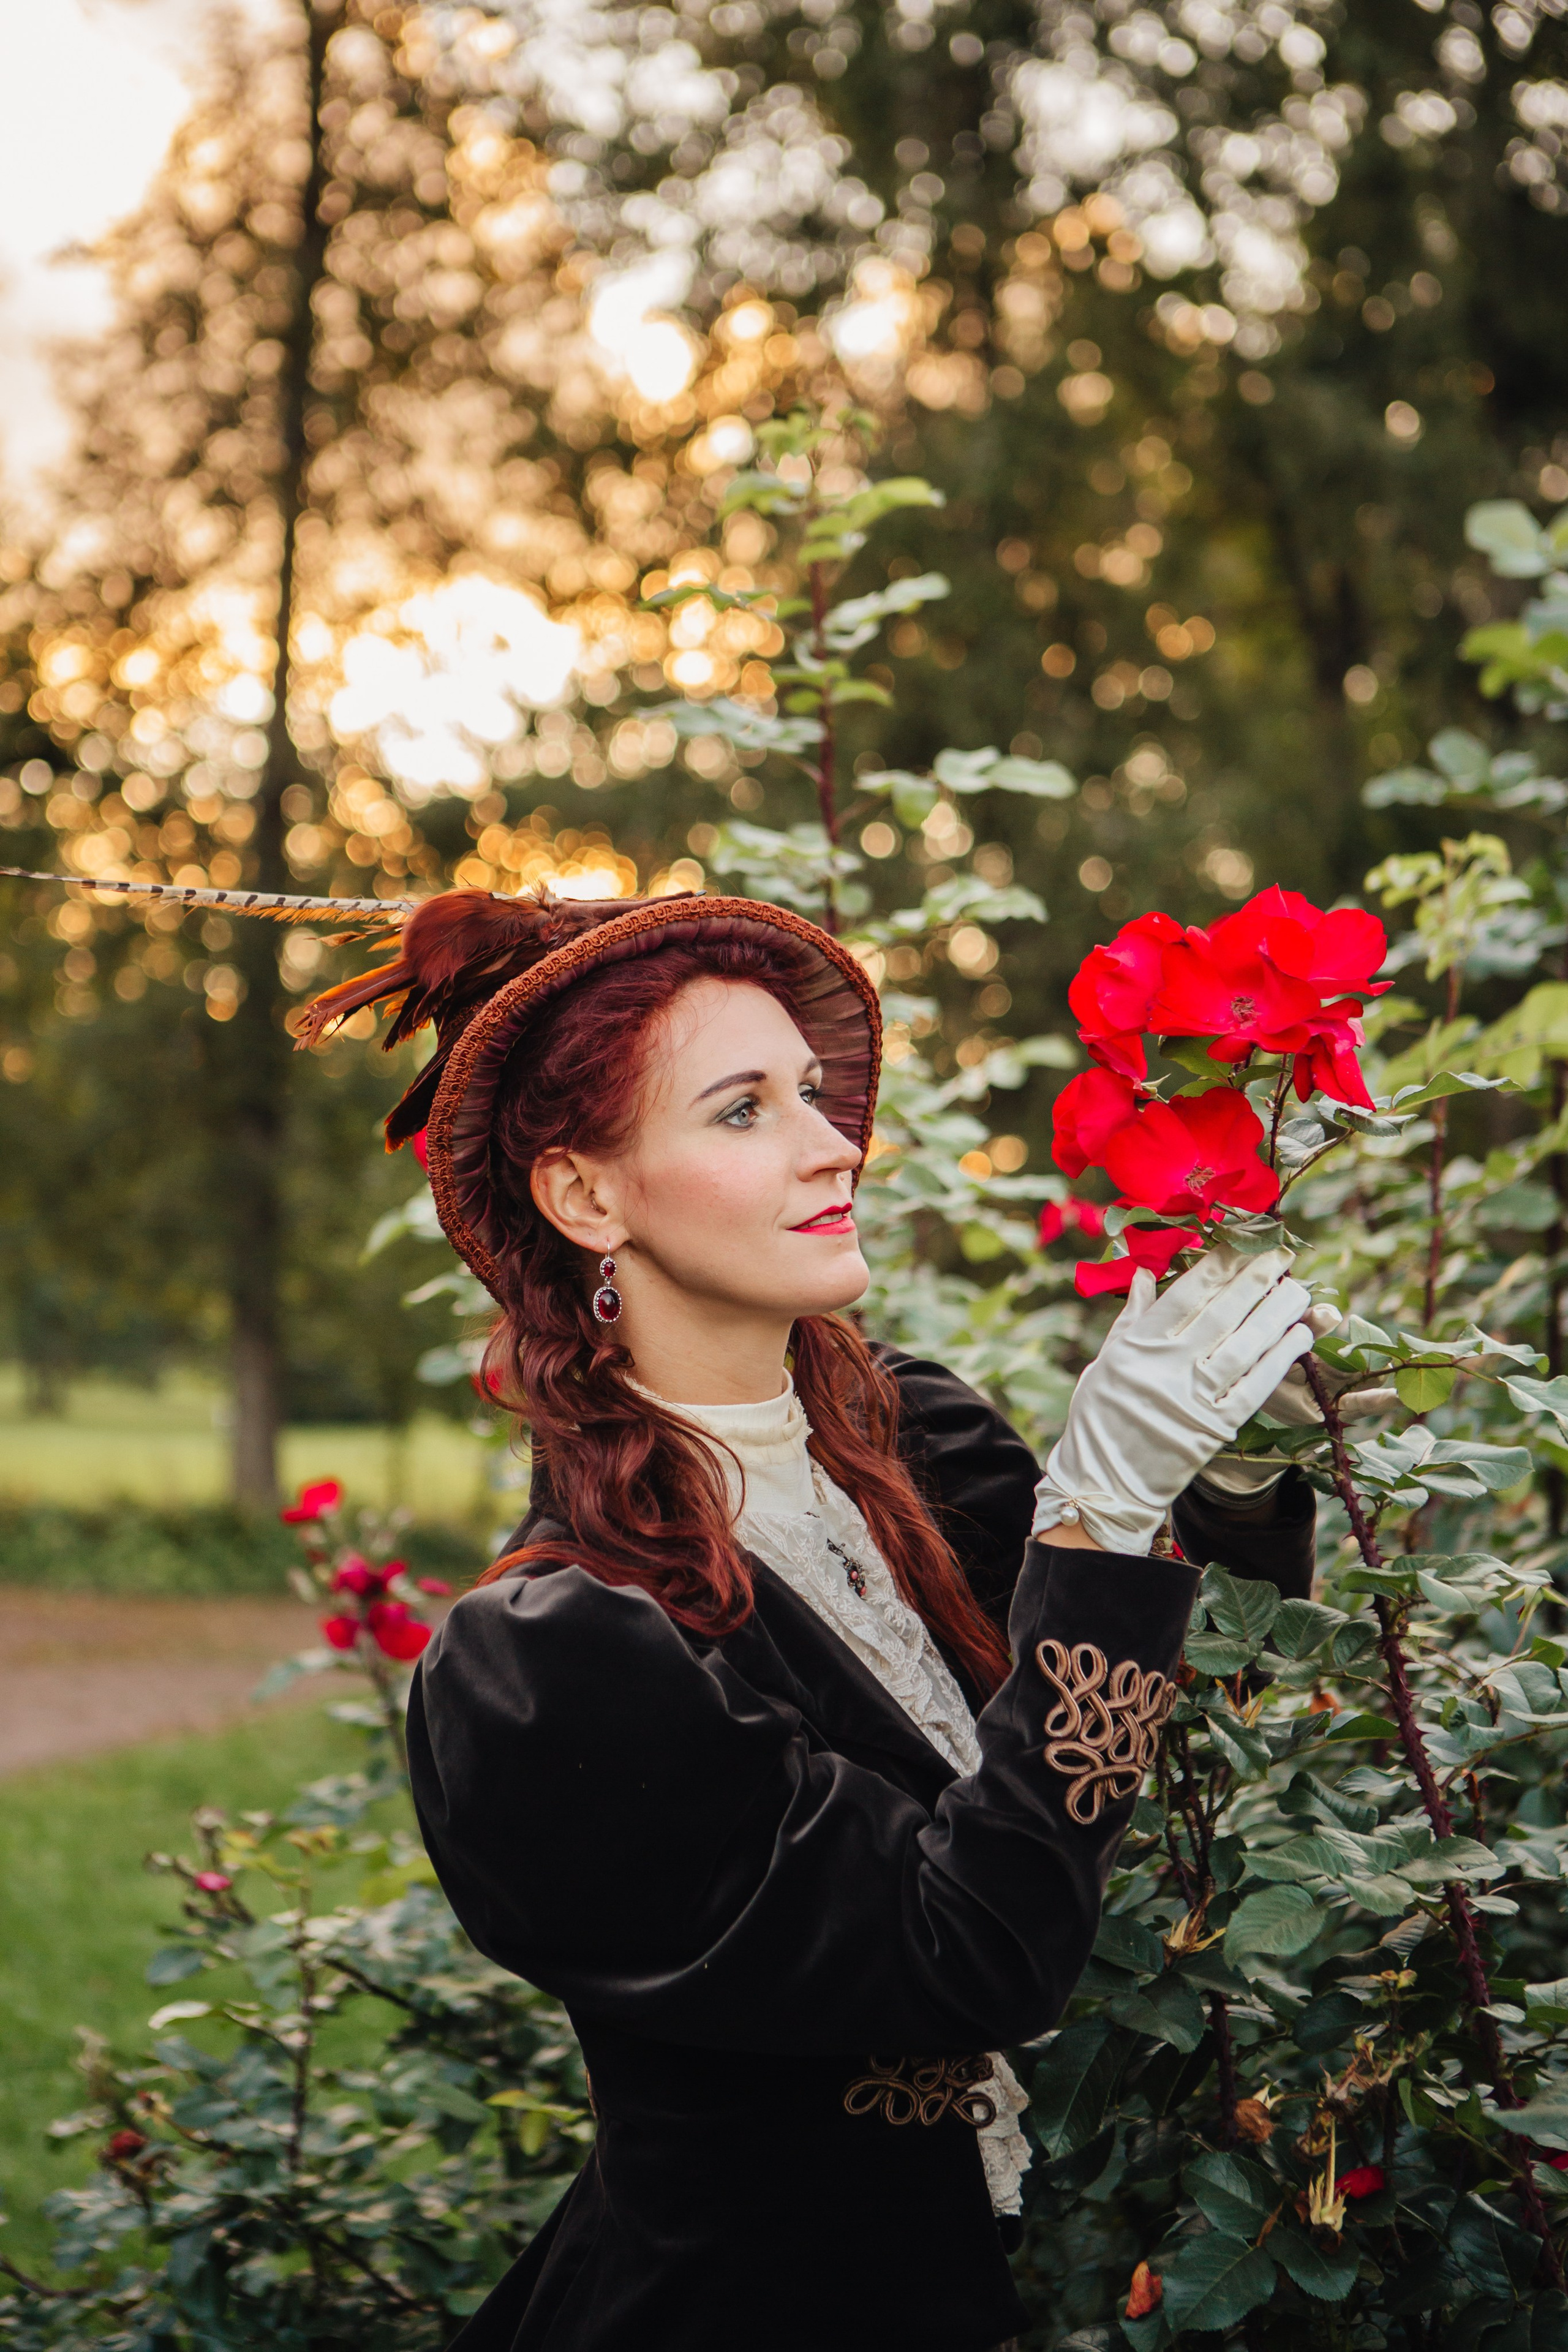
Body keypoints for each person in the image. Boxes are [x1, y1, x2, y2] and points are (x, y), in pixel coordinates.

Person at [302, 887, 1319, 2352]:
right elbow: (971, 1956)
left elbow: (1163, 1745)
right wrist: (1092, 1523)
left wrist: (1235, 1481)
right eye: (740, 1110)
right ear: (584, 1196)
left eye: (811, 1092)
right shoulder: (552, 1662)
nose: (830, 1140)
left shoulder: (918, 1447)